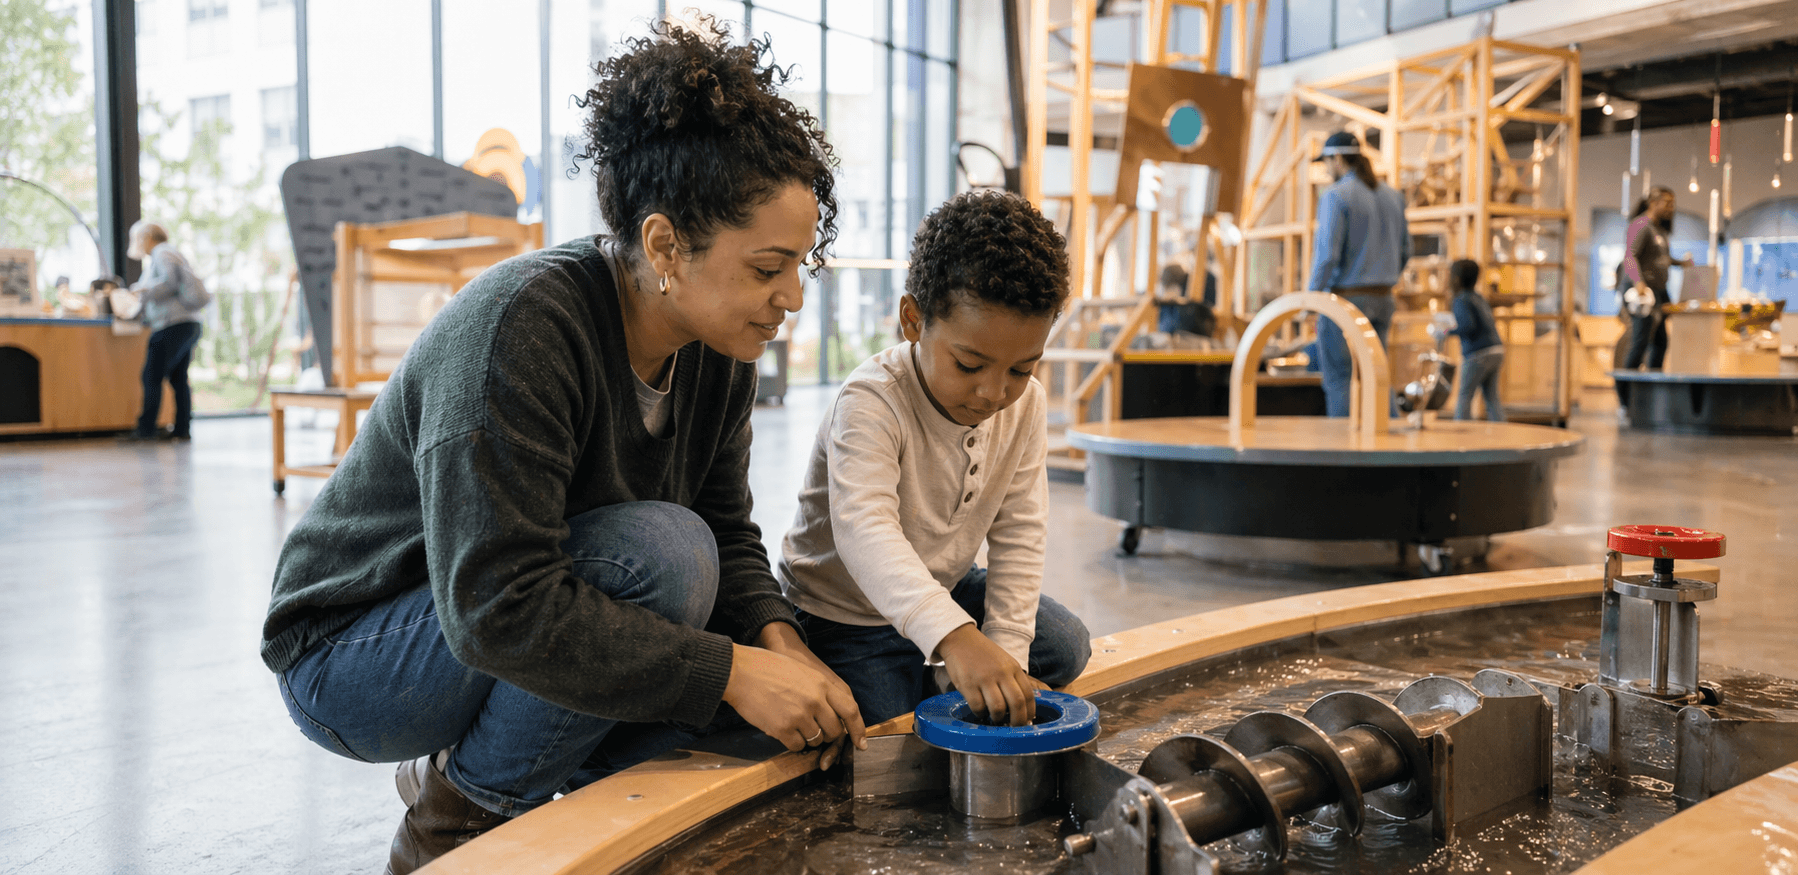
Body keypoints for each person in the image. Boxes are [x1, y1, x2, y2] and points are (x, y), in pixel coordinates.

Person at [259, 19, 864, 874]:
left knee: (706, 725)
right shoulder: (524, 328)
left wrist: (777, 641)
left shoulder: (719, 350)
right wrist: (729, 668)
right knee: (666, 556)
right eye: (768, 267)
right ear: (663, 246)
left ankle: (513, 769)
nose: (791, 295)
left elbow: (729, 526)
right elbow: (499, 605)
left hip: (507, 612)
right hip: (354, 654)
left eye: (800, 265)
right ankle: (451, 824)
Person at [778, 190, 1091, 728]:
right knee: (890, 731)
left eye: (1022, 368)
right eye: (970, 364)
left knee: (1064, 645)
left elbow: (1020, 528)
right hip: (845, 612)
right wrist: (956, 638)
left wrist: (1007, 655)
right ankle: (934, 665)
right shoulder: (872, 400)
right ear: (913, 320)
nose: (994, 392)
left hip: (944, 585)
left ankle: (940, 665)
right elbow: (866, 534)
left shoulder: (1026, 406)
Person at [1307, 131, 1411, 417]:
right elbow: (1406, 251)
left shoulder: (1335, 196)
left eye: (1326, 162)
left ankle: (1340, 452)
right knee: (1378, 376)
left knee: (1340, 379)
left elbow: (1327, 255)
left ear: (1338, 158)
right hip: (1383, 299)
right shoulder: (1393, 196)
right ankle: (1391, 446)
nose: (1326, 169)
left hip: (1345, 301)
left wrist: (1311, 298)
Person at [120, 221, 209, 442]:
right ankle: (182, 430)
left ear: (148, 237)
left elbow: (170, 282)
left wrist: (143, 290)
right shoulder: (169, 254)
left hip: (172, 325)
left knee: (151, 375)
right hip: (187, 324)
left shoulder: (162, 253)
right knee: (179, 379)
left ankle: (146, 430)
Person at [1616, 186, 1692, 418]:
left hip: (1660, 292)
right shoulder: (1640, 226)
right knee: (1639, 342)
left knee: (1660, 342)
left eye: (1673, 204)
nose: (1671, 208)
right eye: (1667, 203)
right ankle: (1625, 401)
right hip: (1642, 294)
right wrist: (1639, 283)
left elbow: (1661, 259)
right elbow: (1631, 257)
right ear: (1653, 202)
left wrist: (1680, 264)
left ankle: (1650, 394)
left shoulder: (1659, 230)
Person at [1446, 259, 1505, 421]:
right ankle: (1501, 432)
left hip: (1478, 352)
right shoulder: (1478, 297)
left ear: (1456, 278)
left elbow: (1467, 326)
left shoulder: (1460, 299)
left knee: (1465, 395)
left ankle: (1461, 433)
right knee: (1492, 398)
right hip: (1496, 349)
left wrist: (1445, 331)